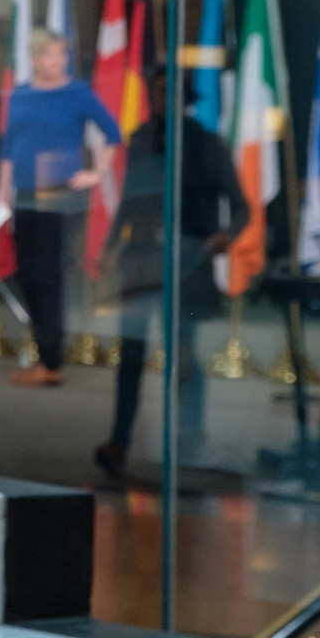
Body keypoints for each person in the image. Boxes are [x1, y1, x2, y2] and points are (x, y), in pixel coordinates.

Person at [95, 68, 246, 477]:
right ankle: (119, 441)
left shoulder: (207, 144)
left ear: (184, 97)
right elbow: (130, 200)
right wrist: (110, 247)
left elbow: (241, 205)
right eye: (157, 90)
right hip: (141, 260)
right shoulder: (141, 139)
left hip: (187, 264)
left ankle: (188, 438)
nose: (162, 97)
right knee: (131, 354)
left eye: (169, 91)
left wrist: (223, 237)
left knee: (183, 355)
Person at [0, 26, 121, 386]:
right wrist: (1, 193)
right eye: (50, 53)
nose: (58, 60)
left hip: (59, 197)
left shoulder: (77, 92)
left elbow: (113, 132)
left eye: (62, 53)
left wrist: (97, 173)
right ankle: (43, 356)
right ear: (34, 58)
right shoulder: (20, 94)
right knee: (27, 275)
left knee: (47, 277)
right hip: (24, 196)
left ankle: (51, 362)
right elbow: (8, 148)